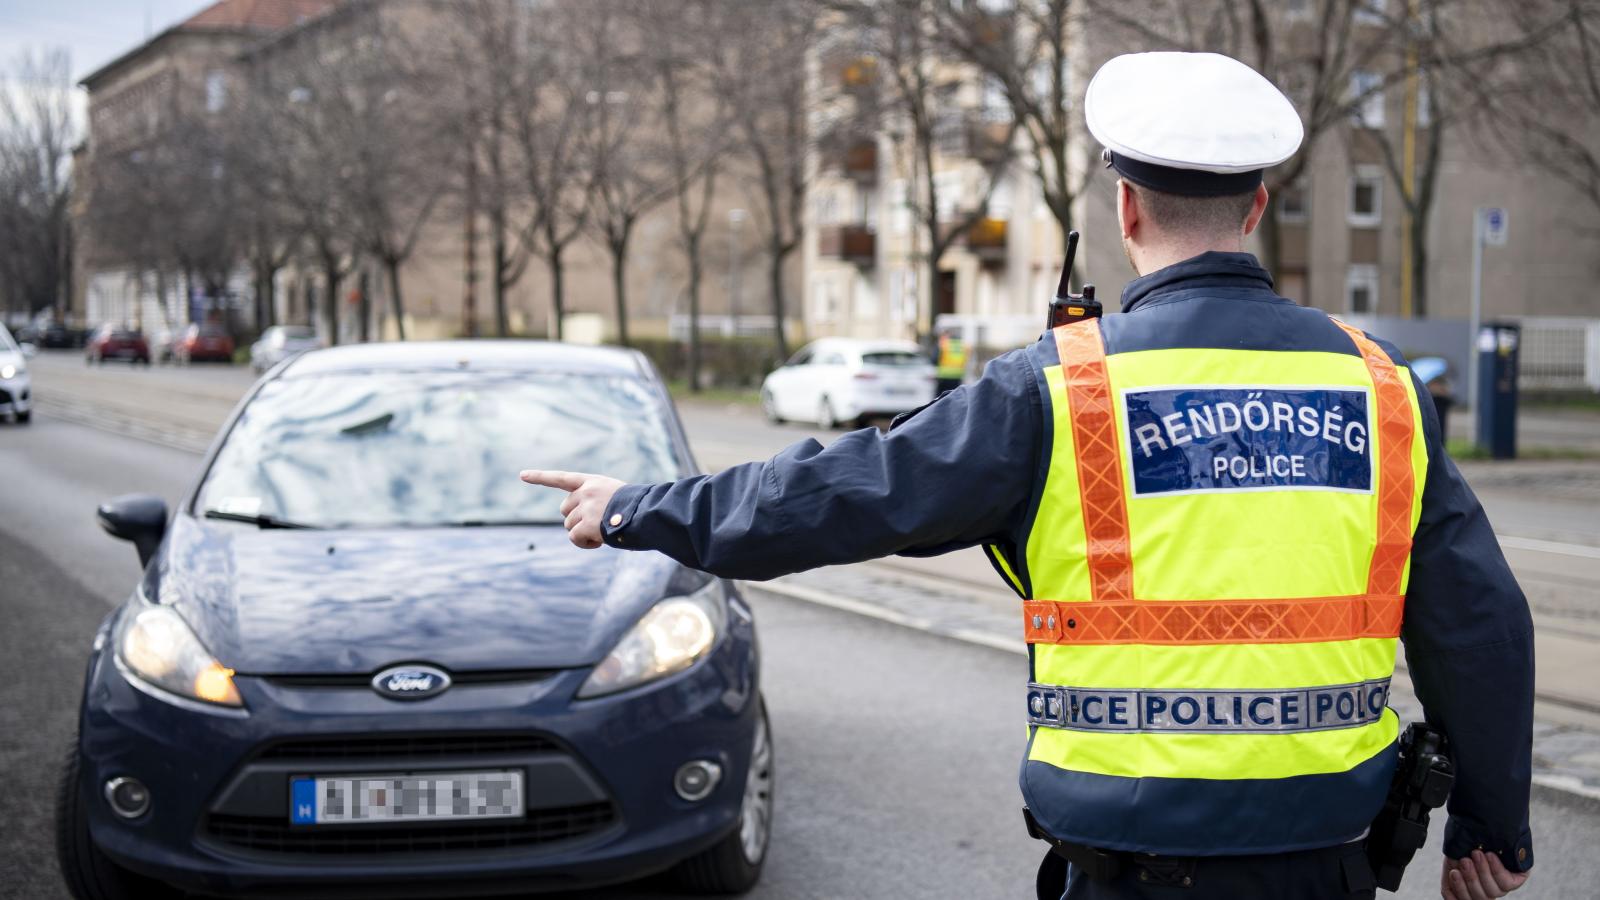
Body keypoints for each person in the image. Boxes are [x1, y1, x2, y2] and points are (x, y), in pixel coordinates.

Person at [522, 51, 1533, 900]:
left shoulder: (1056, 388)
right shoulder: (1384, 389)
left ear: (1127, 209)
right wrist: (1490, 827)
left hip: (1128, 860)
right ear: (1259, 207)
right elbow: (1478, 623)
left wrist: (636, 509)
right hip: (1328, 855)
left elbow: (844, 494)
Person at [935, 326, 969, 393]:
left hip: (944, 376)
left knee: (941, 398)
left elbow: (934, 359)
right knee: (954, 397)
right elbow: (966, 360)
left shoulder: (944, 345)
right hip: (957, 376)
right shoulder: (963, 346)